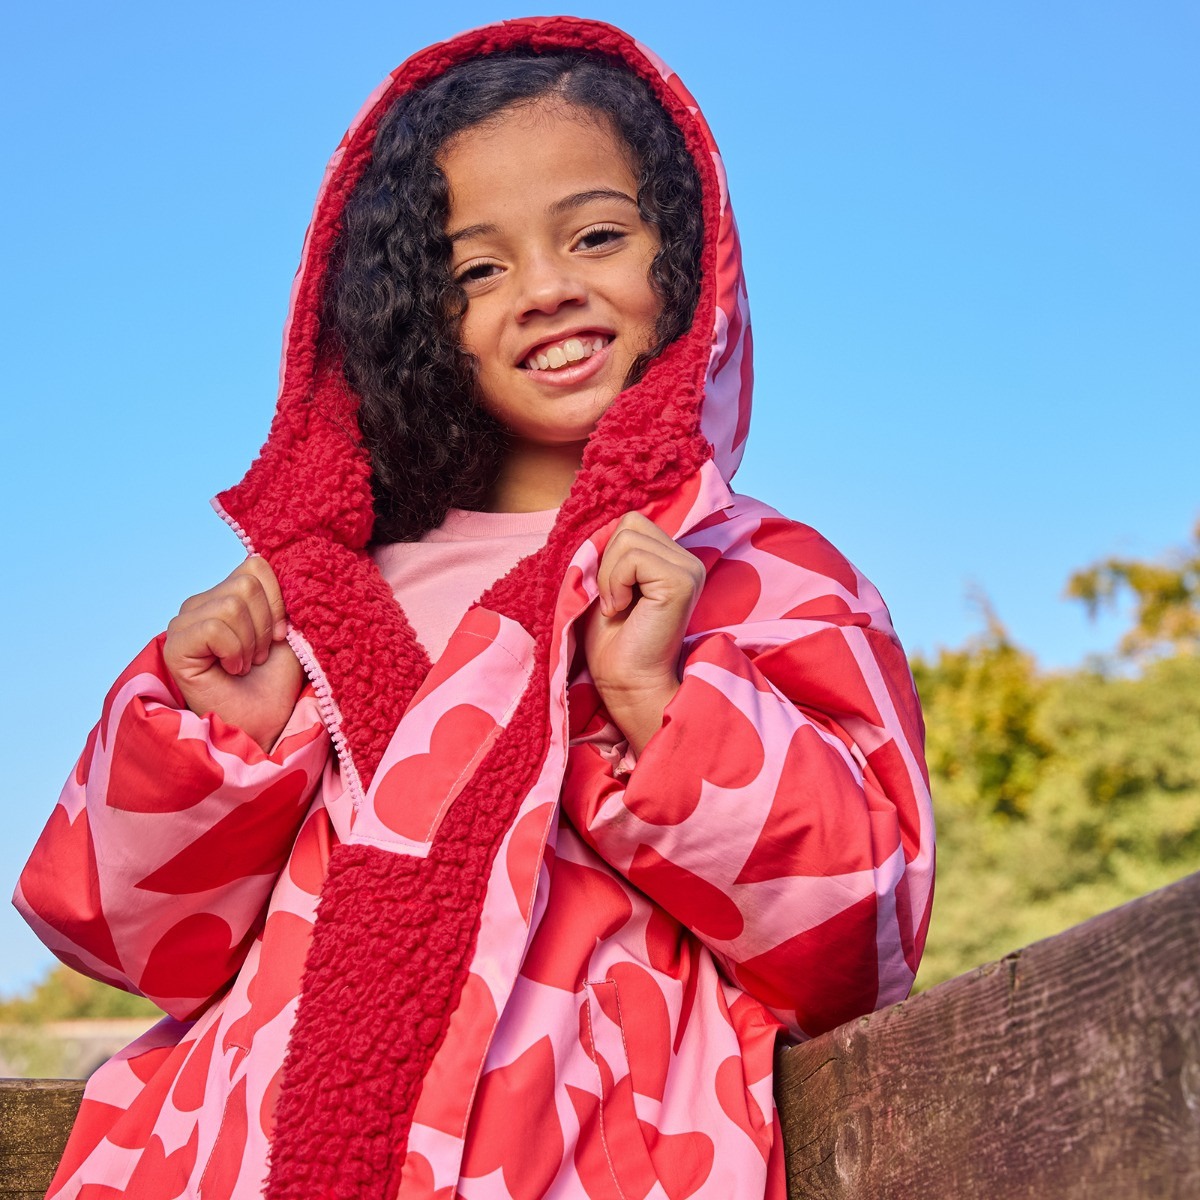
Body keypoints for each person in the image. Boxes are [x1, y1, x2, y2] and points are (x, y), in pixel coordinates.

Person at [15, 16, 934, 1200]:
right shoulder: (315, 599)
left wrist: (658, 704)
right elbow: (122, 934)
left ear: (688, 251)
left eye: (596, 235)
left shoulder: (764, 579)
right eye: (476, 271)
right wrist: (223, 737)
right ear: (413, 319)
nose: (545, 289)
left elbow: (858, 942)